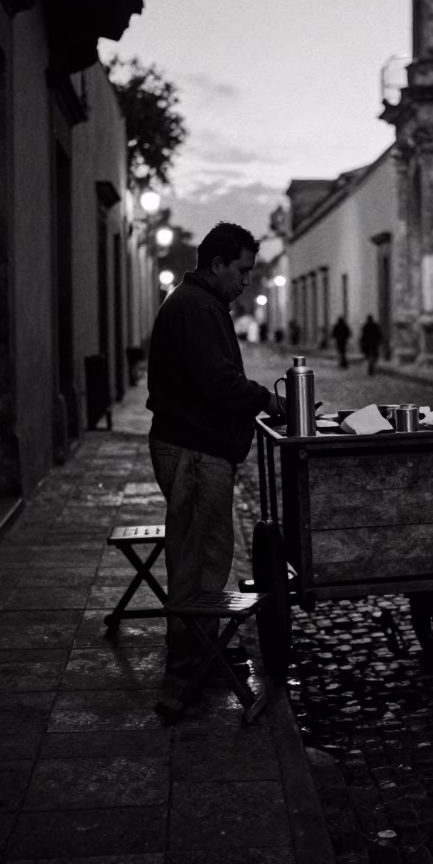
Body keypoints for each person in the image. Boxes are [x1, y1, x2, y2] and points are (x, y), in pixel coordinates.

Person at [146, 221, 283, 679]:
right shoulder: (198, 309)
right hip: (194, 450)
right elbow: (219, 382)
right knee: (200, 556)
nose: (246, 281)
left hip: (193, 447)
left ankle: (196, 646)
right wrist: (266, 400)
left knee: (200, 552)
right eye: (242, 270)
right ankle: (190, 657)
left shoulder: (200, 303)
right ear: (217, 264)